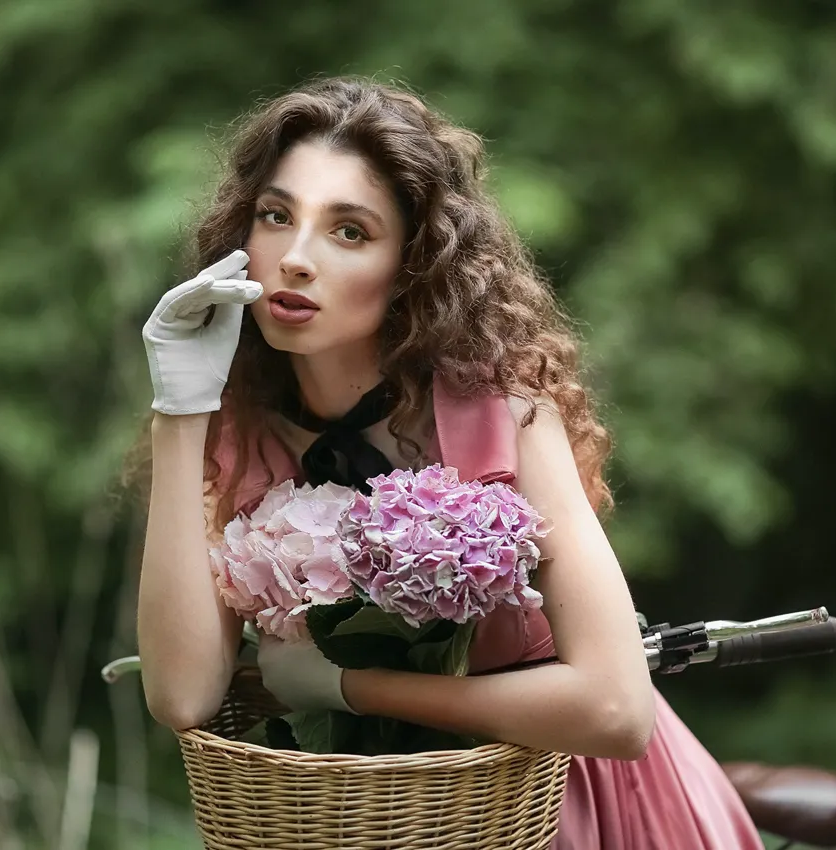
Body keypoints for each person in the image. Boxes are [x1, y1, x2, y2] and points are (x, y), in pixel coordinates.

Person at [130, 76, 763, 849]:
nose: (295, 258)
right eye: (276, 215)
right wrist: (179, 411)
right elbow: (184, 695)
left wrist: (344, 686)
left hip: (564, 808)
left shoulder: (506, 412)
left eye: (350, 231)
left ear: (410, 265)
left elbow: (616, 711)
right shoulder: (236, 433)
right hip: (371, 825)